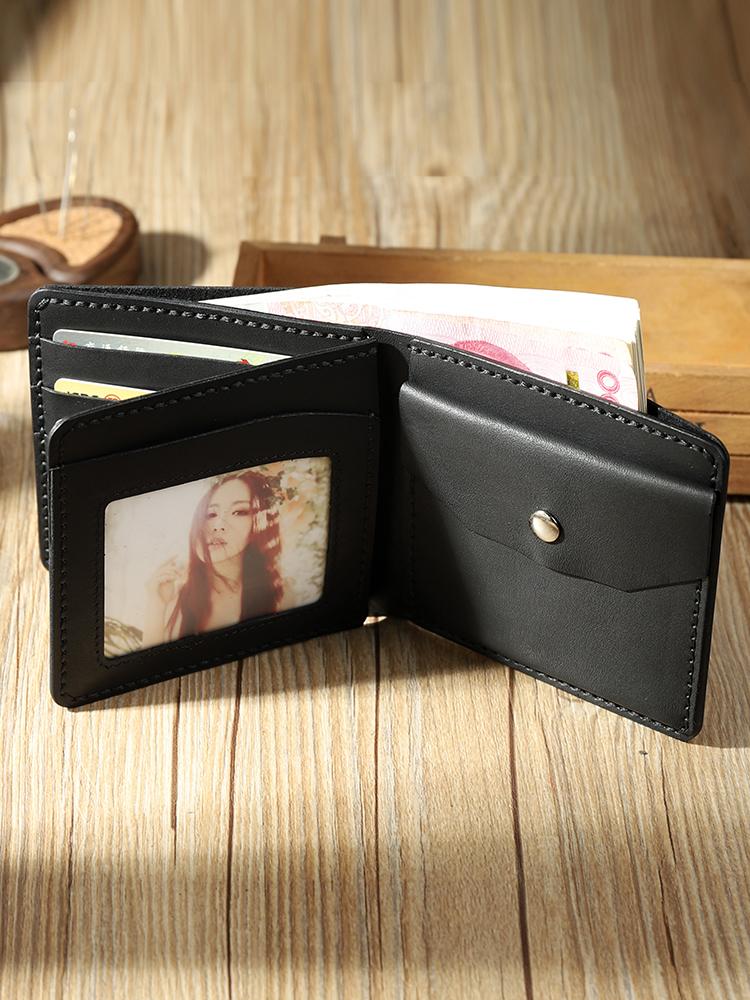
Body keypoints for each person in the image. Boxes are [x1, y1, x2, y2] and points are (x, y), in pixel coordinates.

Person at [142, 469, 282, 647]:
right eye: (210, 514)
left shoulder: (279, 592)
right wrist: (156, 604)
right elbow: (154, 660)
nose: (218, 525)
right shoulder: (172, 595)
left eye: (239, 512)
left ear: (262, 522)